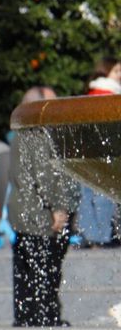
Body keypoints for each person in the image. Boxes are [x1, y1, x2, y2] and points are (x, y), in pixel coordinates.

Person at [8, 85, 77, 327]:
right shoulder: (37, 135)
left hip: (26, 215)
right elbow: (45, 177)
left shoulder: (22, 133)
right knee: (45, 271)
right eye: (52, 103)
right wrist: (58, 210)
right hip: (40, 216)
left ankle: (28, 317)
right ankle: (45, 317)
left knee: (28, 271)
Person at [72, 58, 121, 247]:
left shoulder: (91, 93)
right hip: (103, 152)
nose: (120, 75)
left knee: (88, 195)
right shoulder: (109, 95)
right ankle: (101, 238)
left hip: (86, 153)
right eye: (116, 71)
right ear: (105, 72)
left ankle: (90, 236)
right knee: (104, 195)